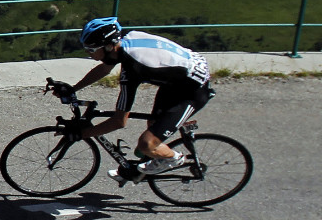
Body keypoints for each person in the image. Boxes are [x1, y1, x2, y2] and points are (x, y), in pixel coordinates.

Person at [55, 17, 212, 184]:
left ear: (108, 46)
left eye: (91, 49)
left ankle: (174, 158)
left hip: (193, 90)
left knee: (147, 144)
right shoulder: (123, 41)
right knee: (152, 127)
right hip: (176, 80)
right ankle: (137, 171)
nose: (88, 53)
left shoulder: (133, 69)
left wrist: (81, 134)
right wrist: (73, 89)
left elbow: (119, 121)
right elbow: (105, 68)